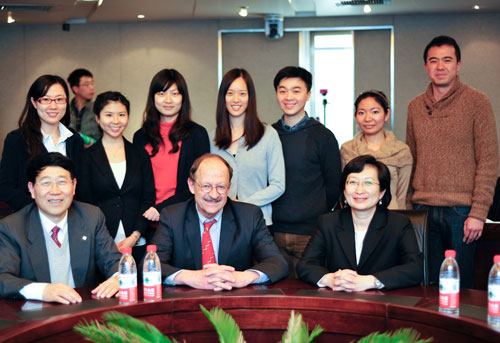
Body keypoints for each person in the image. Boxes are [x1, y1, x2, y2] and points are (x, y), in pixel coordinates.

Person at [406, 35, 499, 288]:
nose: (440, 66)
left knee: (462, 286)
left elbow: (489, 161)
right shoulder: (415, 106)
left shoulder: (478, 102)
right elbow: (410, 159)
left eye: (447, 60)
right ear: (425, 66)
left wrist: (479, 212)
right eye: (433, 61)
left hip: (462, 212)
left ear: (458, 64)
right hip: (422, 208)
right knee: (427, 285)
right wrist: (408, 209)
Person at [152, 154, 288, 290]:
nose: (214, 195)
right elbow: (151, 264)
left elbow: (277, 263)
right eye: (206, 186)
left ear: (229, 187)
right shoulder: (172, 216)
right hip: (187, 301)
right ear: (192, 185)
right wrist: (189, 277)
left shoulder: (249, 216)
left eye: (221, 187)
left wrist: (243, 277)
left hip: (233, 300)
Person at [0, 152, 122, 303]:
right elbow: (3, 278)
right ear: (31, 189)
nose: (55, 191)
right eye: (46, 183)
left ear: (74, 186)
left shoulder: (91, 216)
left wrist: (118, 278)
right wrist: (44, 290)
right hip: (37, 315)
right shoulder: (12, 227)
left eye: (62, 182)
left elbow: (113, 261)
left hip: (83, 310)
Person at [297, 155, 423, 291]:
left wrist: (372, 281)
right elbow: (305, 264)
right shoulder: (328, 222)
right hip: (340, 301)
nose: (359, 190)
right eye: (352, 182)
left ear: (382, 192)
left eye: (368, 183)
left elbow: (415, 269)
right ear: (344, 190)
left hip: (383, 303)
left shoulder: (398, 224)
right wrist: (330, 279)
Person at [271, 66, 342, 278]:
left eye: (296, 90)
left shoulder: (324, 137)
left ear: (308, 94)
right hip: (271, 233)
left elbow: (334, 186)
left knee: (309, 297)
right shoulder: (268, 135)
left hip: (310, 233)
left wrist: (313, 214)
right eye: (283, 90)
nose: (289, 97)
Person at [79, 92, 155, 262]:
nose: (116, 121)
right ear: (98, 118)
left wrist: (134, 237)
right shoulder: (87, 157)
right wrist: (105, 239)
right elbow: (85, 202)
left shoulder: (139, 154)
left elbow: (148, 198)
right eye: (109, 115)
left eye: (121, 114)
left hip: (138, 242)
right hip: (100, 244)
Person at [210, 68, 285, 226]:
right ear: (223, 97)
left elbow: (278, 185)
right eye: (230, 93)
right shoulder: (212, 138)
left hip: (258, 221)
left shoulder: (268, 135)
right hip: (221, 223)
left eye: (242, 93)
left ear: (250, 98)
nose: (236, 99)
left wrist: (244, 204)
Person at [133, 69, 210, 222]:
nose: (168, 100)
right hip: (146, 220)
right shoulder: (140, 136)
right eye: (161, 93)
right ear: (153, 97)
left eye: (174, 94)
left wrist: (161, 208)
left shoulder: (197, 134)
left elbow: (199, 183)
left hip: (183, 218)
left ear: (183, 98)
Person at [0, 75, 84, 212]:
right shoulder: (16, 140)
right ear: (34, 102)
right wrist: (40, 209)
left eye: (59, 99)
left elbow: (82, 187)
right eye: (45, 99)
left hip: (70, 219)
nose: (53, 106)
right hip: (29, 219)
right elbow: (5, 187)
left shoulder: (75, 140)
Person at [341, 90, 412, 209]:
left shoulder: (401, 152)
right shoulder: (347, 150)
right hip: (355, 217)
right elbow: (344, 191)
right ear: (355, 115)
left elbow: (403, 196)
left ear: (387, 114)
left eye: (375, 112)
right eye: (361, 112)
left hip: (391, 217)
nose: (368, 118)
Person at [67, 69, 101, 144]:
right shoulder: (66, 111)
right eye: (87, 84)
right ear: (75, 89)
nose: (91, 87)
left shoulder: (98, 109)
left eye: (92, 84)